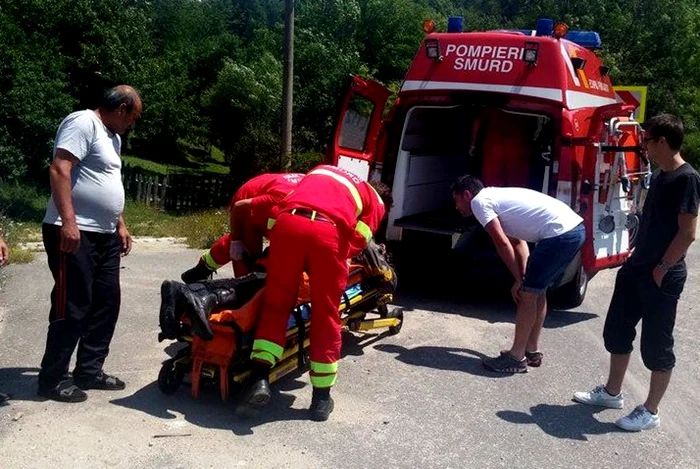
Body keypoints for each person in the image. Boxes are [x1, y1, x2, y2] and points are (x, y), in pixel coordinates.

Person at [573, 114, 699, 432]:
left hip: (662, 274)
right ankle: (612, 393)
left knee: (657, 345)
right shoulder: (658, 175)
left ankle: (650, 411)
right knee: (616, 331)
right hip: (637, 267)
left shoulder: (687, 178)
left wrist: (662, 267)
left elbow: (687, 233)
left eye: (647, 140)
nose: (643, 145)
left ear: (661, 141)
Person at [240, 165, 392, 421]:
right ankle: (321, 399)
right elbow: (362, 236)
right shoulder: (373, 197)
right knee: (326, 314)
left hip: (288, 225)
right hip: (327, 233)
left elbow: (279, 209)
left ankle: (259, 378)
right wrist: (338, 254)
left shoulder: (319, 171)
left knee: (276, 305)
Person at [38, 85, 142, 403]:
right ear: (121, 108)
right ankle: (52, 379)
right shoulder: (83, 122)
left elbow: (108, 181)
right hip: (73, 231)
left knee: (107, 302)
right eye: (133, 118)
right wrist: (69, 222)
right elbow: (60, 169)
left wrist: (120, 223)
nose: (132, 125)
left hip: (105, 233)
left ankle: (89, 370)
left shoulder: (114, 137)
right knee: (73, 305)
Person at [451, 175, 585, 373]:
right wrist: (521, 278)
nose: (456, 207)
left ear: (467, 194)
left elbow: (502, 243)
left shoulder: (479, 202)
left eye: (456, 200)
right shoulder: (495, 198)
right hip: (572, 230)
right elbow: (518, 242)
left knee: (529, 294)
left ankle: (515, 357)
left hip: (559, 234)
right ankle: (531, 351)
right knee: (537, 291)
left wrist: (519, 281)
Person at [180, 172, 304, 283]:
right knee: (246, 272)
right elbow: (239, 206)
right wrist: (236, 240)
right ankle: (202, 270)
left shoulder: (310, 196)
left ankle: (201, 269)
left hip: (269, 199)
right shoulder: (280, 200)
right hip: (246, 202)